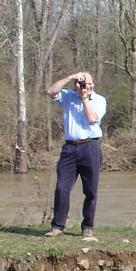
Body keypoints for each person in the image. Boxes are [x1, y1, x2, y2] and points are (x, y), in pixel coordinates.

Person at [44, 69, 107, 241]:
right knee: (62, 188)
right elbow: (50, 91)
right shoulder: (68, 97)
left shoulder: (99, 100)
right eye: (82, 82)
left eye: (88, 83)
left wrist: (85, 98)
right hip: (70, 149)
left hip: (90, 147)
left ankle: (87, 226)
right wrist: (70, 76)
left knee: (91, 190)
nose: (85, 85)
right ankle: (58, 226)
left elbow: (92, 119)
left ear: (93, 84)